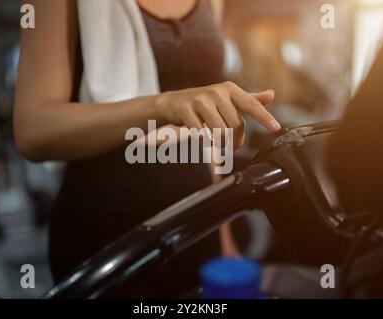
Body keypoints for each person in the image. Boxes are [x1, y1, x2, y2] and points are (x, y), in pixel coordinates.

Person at [14, 0, 280, 297]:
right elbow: (32, 131)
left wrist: (223, 232)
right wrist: (162, 104)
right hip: (108, 233)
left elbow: (208, 132)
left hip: (194, 220)